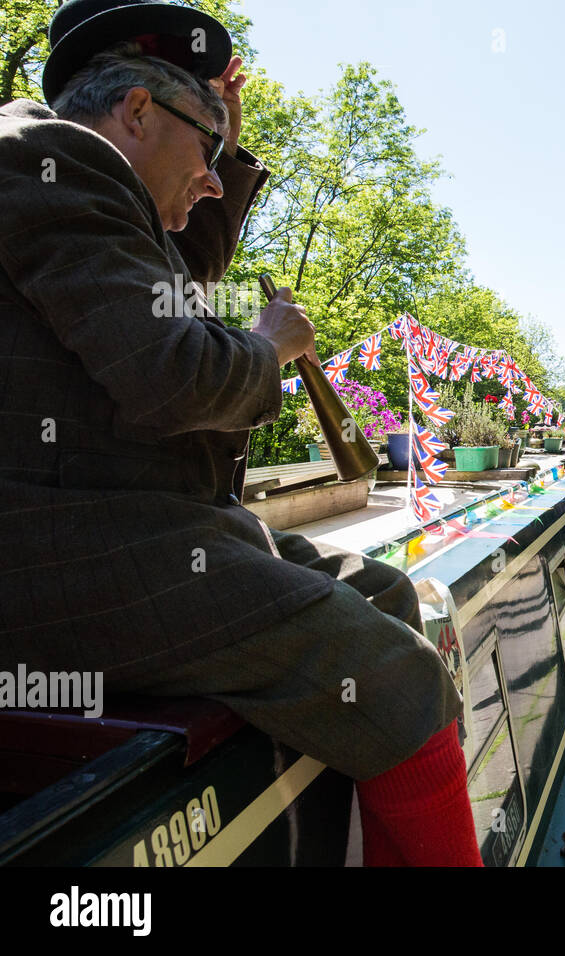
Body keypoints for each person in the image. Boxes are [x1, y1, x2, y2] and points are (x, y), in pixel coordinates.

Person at [0, 0, 479, 866]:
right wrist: (267, 348)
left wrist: (218, 136)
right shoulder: (50, 157)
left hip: (121, 532)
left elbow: (166, 280)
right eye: (206, 147)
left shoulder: (72, 176)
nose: (218, 178)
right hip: (61, 554)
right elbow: (170, 374)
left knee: (388, 596)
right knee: (400, 676)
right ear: (137, 112)